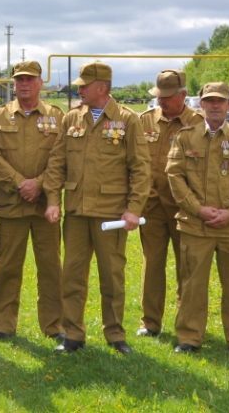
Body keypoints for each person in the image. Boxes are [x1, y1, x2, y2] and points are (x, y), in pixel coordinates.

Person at [43, 62, 151, 355]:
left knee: (112, 276)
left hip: (111, 213)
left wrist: (133, 209)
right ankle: (73, 335)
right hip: (77, 213)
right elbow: (57, 163)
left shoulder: (127, 120)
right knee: (72, 275)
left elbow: (140, 168)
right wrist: (53, 200)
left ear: (102, 88)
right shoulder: (71, 119)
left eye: (84, 85)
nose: (79, 89)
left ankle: (115, 334)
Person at [166, 82, 229, 360]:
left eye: (220, 101)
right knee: (192, 284)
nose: (215, 105)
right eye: (209, 101)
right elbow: (174, 176)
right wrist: (198, 209)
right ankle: (188, 337)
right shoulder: (185, 137)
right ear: (201, 104)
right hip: (196, 225)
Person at [0, 61, 65, 342]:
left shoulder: (57, 116)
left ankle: (54, 326)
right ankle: (2, 325)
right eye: (19, 80)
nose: (24, 85)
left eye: (30, 79)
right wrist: (20, 183)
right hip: (11, 204)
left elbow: (61, 158)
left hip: (45, 206)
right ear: (13, 84)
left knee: (51, 267)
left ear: (41, 82)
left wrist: (39, 184)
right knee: (7, 266)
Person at [136, 69, 203, 338]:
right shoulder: (145, 121)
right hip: (151, 208)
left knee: (186, 267)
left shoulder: (199, 123)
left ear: (183, 95)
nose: (161, 101)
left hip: (185, 209)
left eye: (167, 97)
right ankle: (150, 323)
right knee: (152, 264)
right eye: (159, 97)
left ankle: (185, 322)